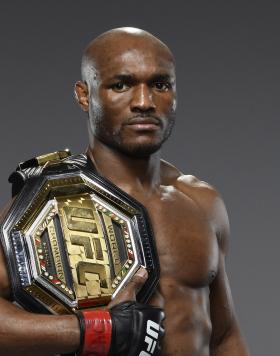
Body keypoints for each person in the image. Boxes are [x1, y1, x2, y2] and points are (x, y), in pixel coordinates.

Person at [0, 27, 249, 355]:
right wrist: (97, 330)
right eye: (121, 85)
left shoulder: (202, 202)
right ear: (84, 95)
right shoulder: (47, 206)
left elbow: (224, 336)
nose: (144, 102)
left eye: (160, 85)